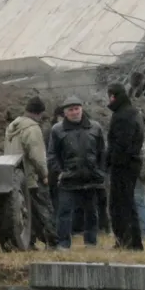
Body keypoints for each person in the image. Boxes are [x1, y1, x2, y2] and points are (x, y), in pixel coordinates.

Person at [48, 96, 106, 249]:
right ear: (65, 113)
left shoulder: (95, 127)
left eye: (77, 109)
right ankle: (63, 244)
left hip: (91, 178)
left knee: (92, 212)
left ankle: (91, 242)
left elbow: (102, 152)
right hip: (68, 179)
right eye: (70, 110)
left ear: (82, 109)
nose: (74, 112)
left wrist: (100, 171)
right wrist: (60, 173)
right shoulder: (57, 130)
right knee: (64, 212)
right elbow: (52, 155)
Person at [4, 97, 54, 247]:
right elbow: (37, 156)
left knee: (24, 213)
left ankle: (29, 242)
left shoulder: (12, 127)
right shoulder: (32, 128)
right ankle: (53, 242)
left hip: (15, 179)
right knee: (44, 211)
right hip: (32, 178)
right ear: (39, 113)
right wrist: (45, 174)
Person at [104, 83, 144, 250]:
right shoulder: (132, 112)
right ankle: (132, 242)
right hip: (132, 164)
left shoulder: (122, 115)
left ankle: (125, 241)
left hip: (123, 166)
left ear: (114, 96)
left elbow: (121, 144)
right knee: (128, 203)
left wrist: (110, 162)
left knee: (119, 205)